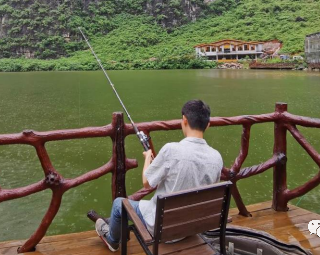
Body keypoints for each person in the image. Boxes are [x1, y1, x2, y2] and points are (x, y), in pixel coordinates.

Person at [95, 100, 224, 252]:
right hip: (193, 226)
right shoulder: (217, 157)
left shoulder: (172, 150)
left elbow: (147, 183)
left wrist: (147, 159)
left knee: (118, 204)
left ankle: (112, 241)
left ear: (184, 120)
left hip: (163, 229)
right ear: (207, 125)